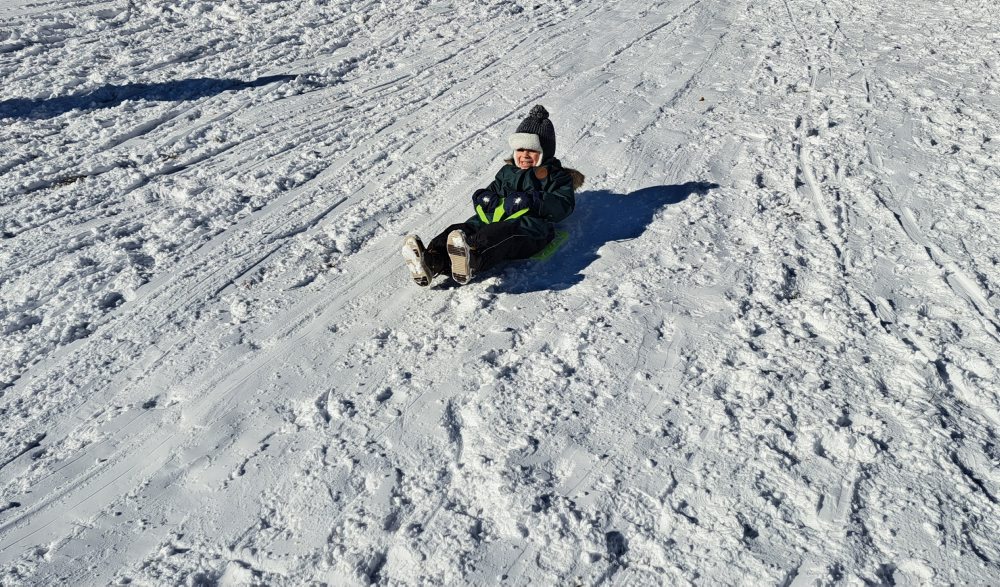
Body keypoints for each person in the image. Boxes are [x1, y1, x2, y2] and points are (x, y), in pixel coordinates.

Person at [402, 105, 584, 286]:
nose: (525, 155)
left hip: (530, 230)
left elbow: (563, 205)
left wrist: (534, 201)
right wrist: (484, 197)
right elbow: (494, 189)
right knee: (460, 229)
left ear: (545, 152)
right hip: (493, 218)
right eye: (520, 150)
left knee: (497, 234)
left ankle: (472, 258)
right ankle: (432, 260)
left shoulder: (555, 176)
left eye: (532, 150)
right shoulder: (507, 172)